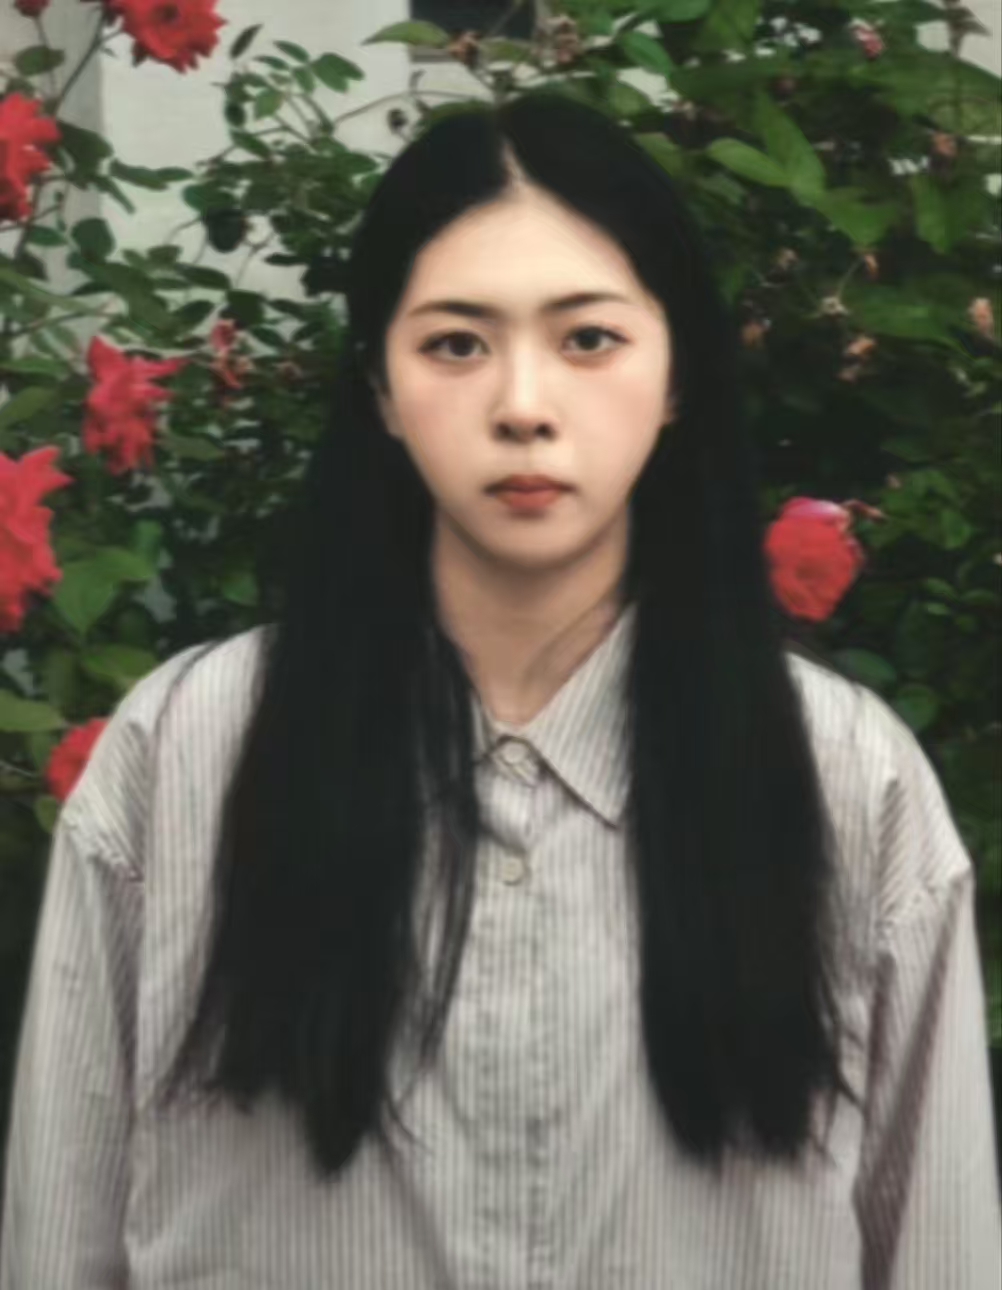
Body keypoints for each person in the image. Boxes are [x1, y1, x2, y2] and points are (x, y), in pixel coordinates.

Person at [1, 92, 999, 1290]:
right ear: (380, 386)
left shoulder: (851, 782)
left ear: (676, 375)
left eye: (589, 339)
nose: (524, 406)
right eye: (456, 344)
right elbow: (58, 1242)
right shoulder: (186, 755)